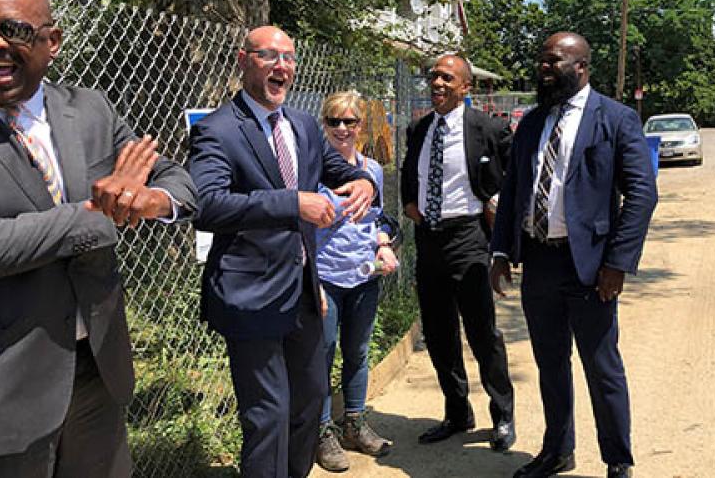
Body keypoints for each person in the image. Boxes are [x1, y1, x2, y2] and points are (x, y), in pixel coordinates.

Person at [0, 0, 197, 477]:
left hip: (97, 371)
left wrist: (150, 199)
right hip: (3, 383)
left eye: (13, 29)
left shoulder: (90, 108)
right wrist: (93, 216)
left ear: (52, 42)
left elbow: (176, 180)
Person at [187, 26, 375, 478]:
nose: (282, 65)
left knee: (309, 402)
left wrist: (364, 180)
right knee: (267, 414)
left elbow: (332, 167)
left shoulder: (304, 124)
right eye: (269, 55)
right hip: (250, 294)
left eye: (289, 57)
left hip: (303, 293)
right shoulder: (218, 129)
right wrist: (292, 203)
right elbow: (207, 204)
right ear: (243, 59)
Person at [490, 31, 657, 478]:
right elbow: (513, 191)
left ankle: (618, 460)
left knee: (602, 367)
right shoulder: (531, 122)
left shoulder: (616, 119)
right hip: (540, 262)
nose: (544, 68)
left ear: (581, 66)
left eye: (553, 61)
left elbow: (641, 194)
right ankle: (557, 450)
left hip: (591, 267)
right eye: (542, 60)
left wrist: (618, 263)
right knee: (550, 363)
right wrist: (502, 249)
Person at [399, 54, 516, 451]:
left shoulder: (488, 128)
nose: (437, 82)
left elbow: (512, 178)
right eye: (434, 76)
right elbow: (408, 172)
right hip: (429, 239)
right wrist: (409, 202)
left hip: (468, 238)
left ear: (465, 87)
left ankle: (502, 416)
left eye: (447, 77)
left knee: (483, 332)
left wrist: (497, 207)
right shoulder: (418, 129)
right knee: (438, 333)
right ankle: (456, 412)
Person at [312, 91, 398, 472]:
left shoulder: (372, 170)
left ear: (362, 126)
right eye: (334, 121)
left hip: (363, 275)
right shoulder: (312, 171)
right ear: (324, 125)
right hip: (325, 275)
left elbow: (377, 218)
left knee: (358, 352)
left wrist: (383, 244)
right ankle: (321, 432)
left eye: (351, 122)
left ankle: (355, 423)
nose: (343, 129)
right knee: (322, 352)